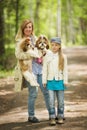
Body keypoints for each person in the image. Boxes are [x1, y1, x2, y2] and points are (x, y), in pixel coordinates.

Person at [15, 19, 39, 123]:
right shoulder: (19, 40)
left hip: (37, 68)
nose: (28, 29)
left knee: (37, 92)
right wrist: (30, 55)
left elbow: (40, 51)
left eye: (30, 27)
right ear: (23, 28)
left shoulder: (35, 38)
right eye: (26, 27)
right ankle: (31, 116)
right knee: (33, 92)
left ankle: (52, 113)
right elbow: (18, 55)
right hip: (26, 69)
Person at [42, 37, 68, 125]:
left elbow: (65, 70)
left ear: (59, 46)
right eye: (52, 45)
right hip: (50, 81)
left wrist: (65, 81)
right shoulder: (47, 56)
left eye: (56, 45)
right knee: (51, 100)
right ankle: (52, 117)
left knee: (60, 101)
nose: (54, 47)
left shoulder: (63, 57)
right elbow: (44, 69)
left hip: (60, 81)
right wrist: (44, 80)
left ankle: (60, 115)